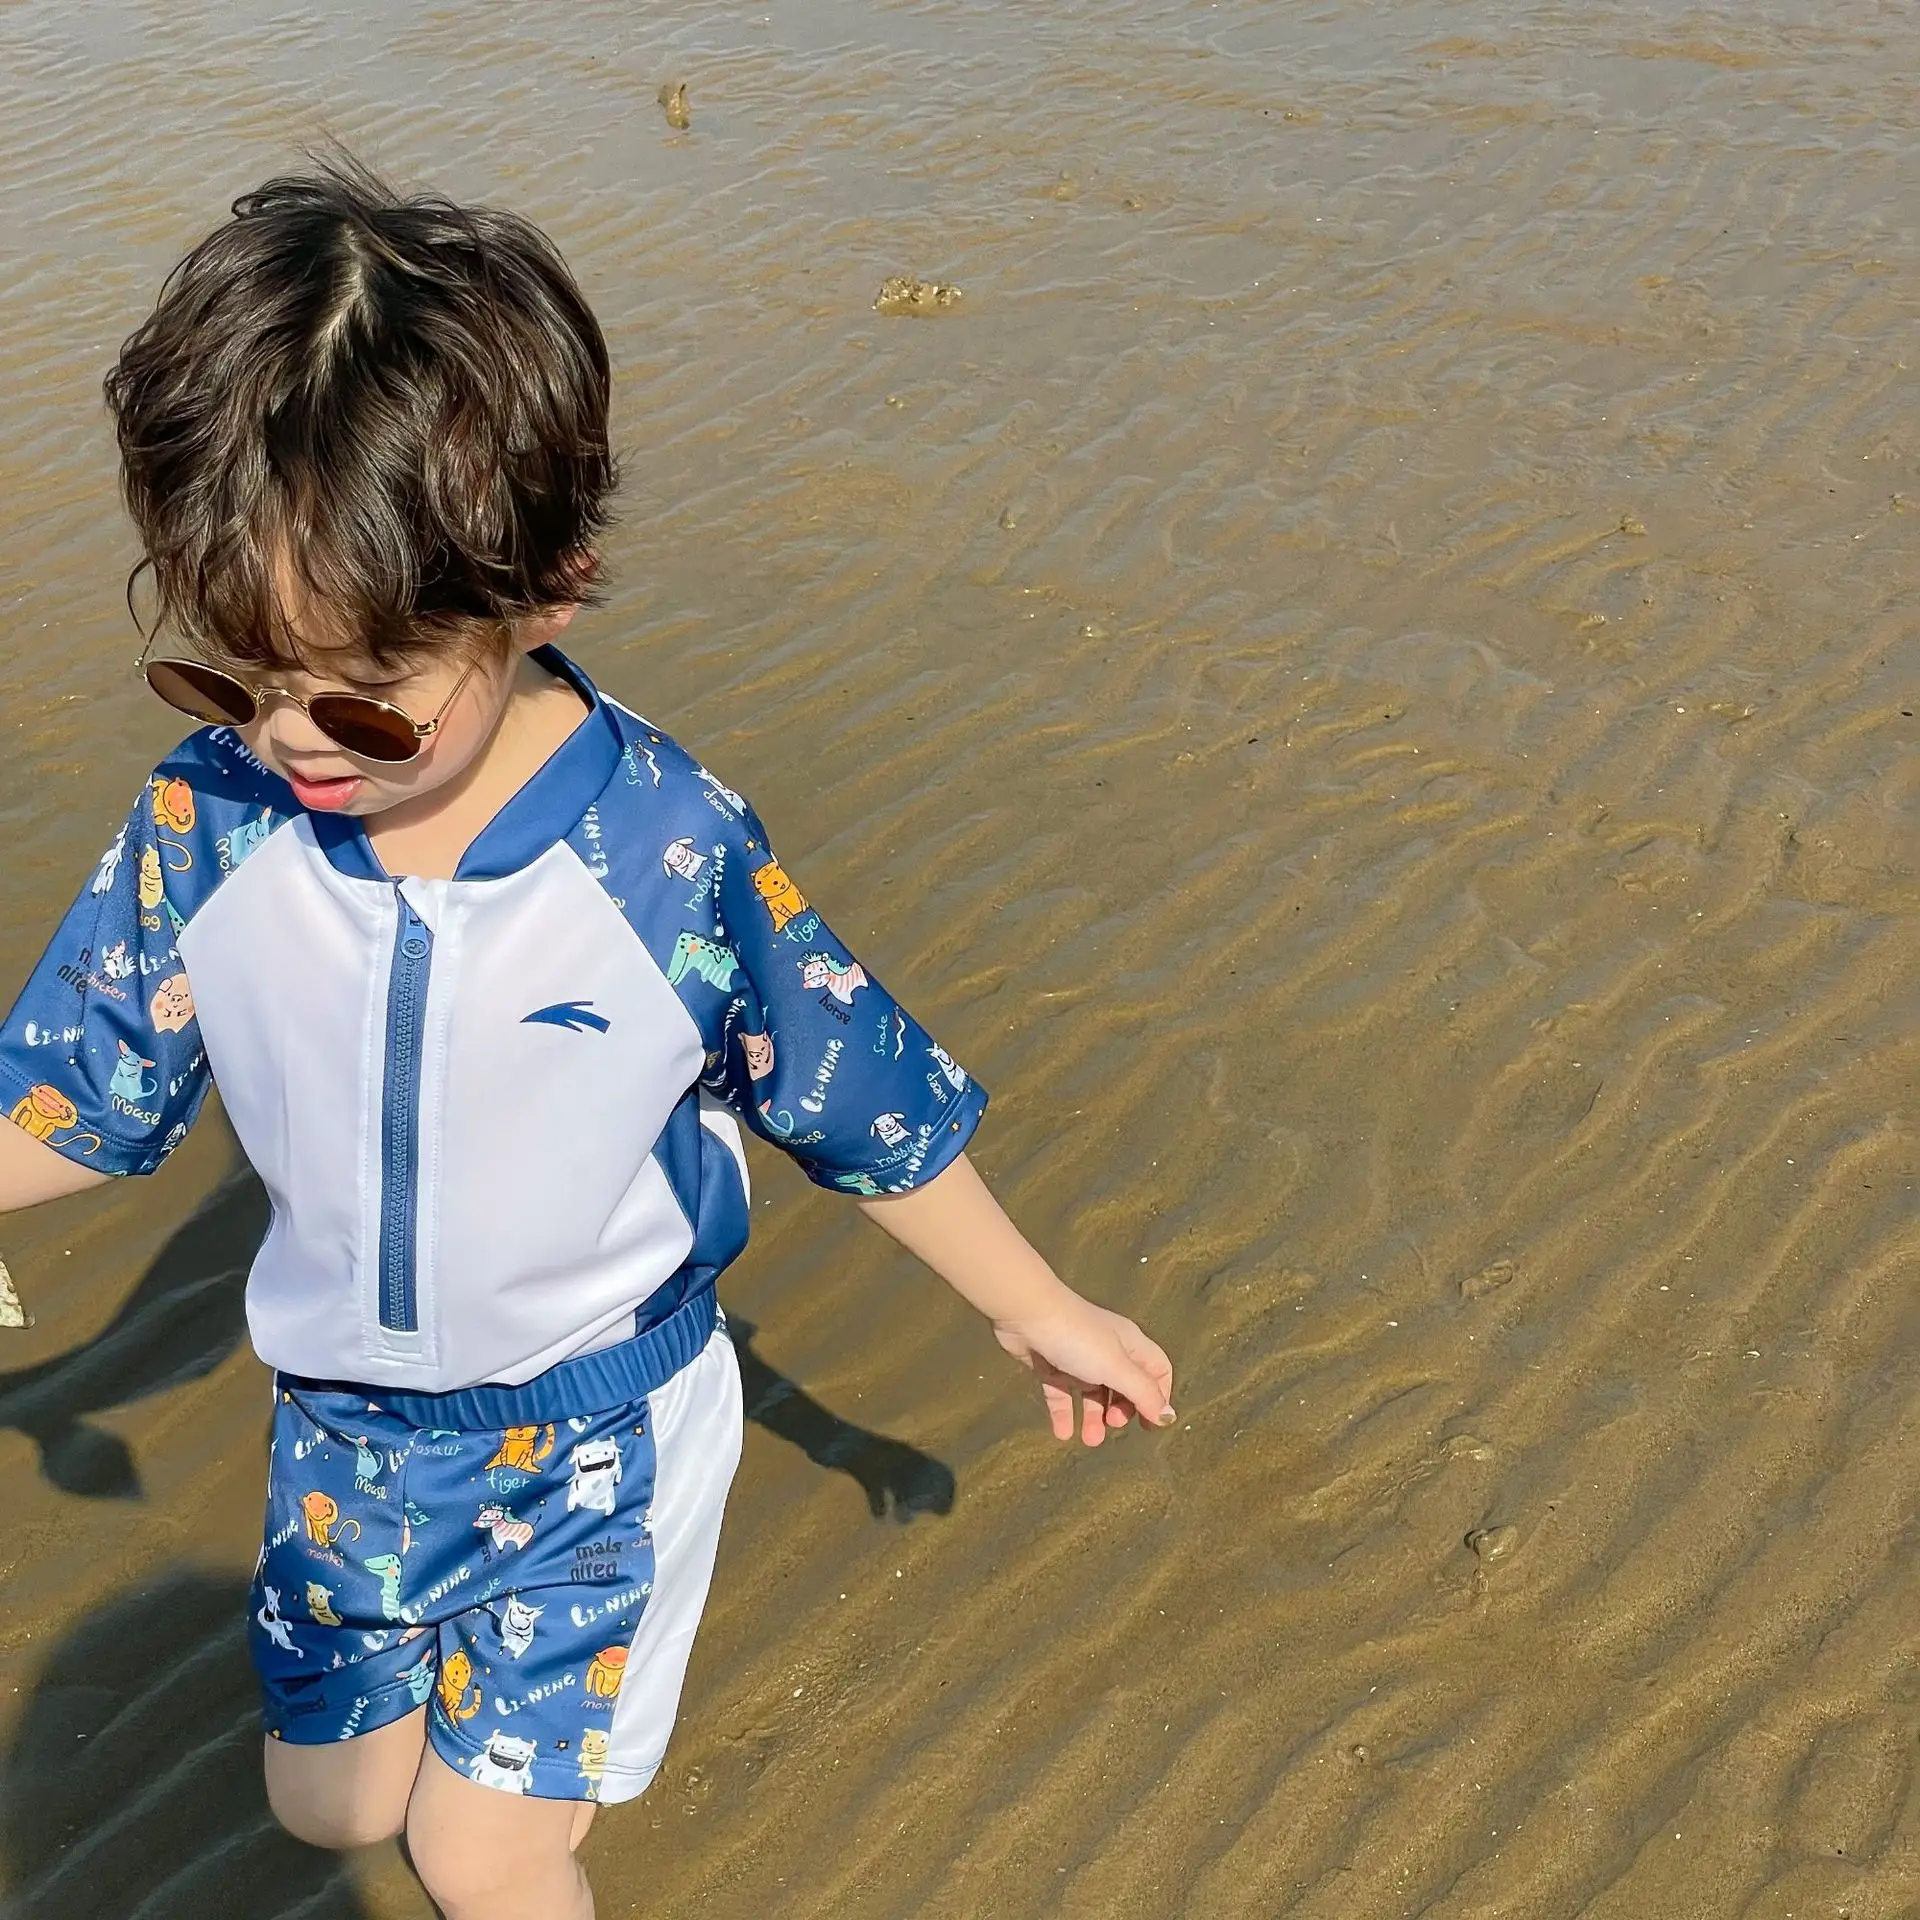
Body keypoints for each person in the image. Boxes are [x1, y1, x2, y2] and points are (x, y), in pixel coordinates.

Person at [0, 158, 1175, 1919]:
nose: (288, 739)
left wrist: (1039, 1306)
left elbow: (855, 1096)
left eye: (358, 695)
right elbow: (78, 1093)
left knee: (481, 1857)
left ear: (542, 593)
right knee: (328, 1810)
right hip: (343, 1429)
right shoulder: (214, 823)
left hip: (593, 1430)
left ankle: (529, 1815)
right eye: (228, 676)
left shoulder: (667, 855)